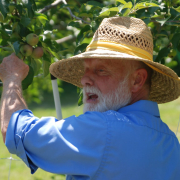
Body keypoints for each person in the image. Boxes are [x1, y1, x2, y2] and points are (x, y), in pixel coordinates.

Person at [0, 17, 180, 180]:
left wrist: (12, 78)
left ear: (137, 80)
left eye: (101, 70)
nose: (84, 80)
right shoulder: (172, 144)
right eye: (86, 70)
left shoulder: (103, 129)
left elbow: (15, 130)